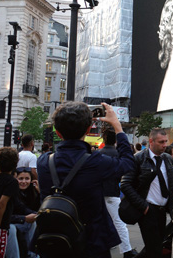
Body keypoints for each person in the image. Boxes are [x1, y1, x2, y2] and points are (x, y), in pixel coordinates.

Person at [36, 102, 135, 258]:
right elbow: (128, 164)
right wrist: (117, 126)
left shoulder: (43, 162)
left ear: (58, 132)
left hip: (54, 241)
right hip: (91, 242)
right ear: (88, 129)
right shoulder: (95, 162)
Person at [120, 128, 173, 258]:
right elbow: (125, 184)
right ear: (151, 141)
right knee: (154, 249)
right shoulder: (139, 159)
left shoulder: (167, 159)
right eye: (161, 142)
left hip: (163, 210)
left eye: (166, 141)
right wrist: (143, 206)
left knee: (155, 246)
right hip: (147, 210)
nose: (165, 145)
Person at [99, 129, 137, 258]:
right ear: (115, 140)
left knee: (102, 222)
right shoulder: (118, 154)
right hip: (113, 191)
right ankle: (127, 250)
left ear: (104, 139)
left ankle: (106, 246)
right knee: (119, 223)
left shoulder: (98, 154)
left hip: (99, 192)